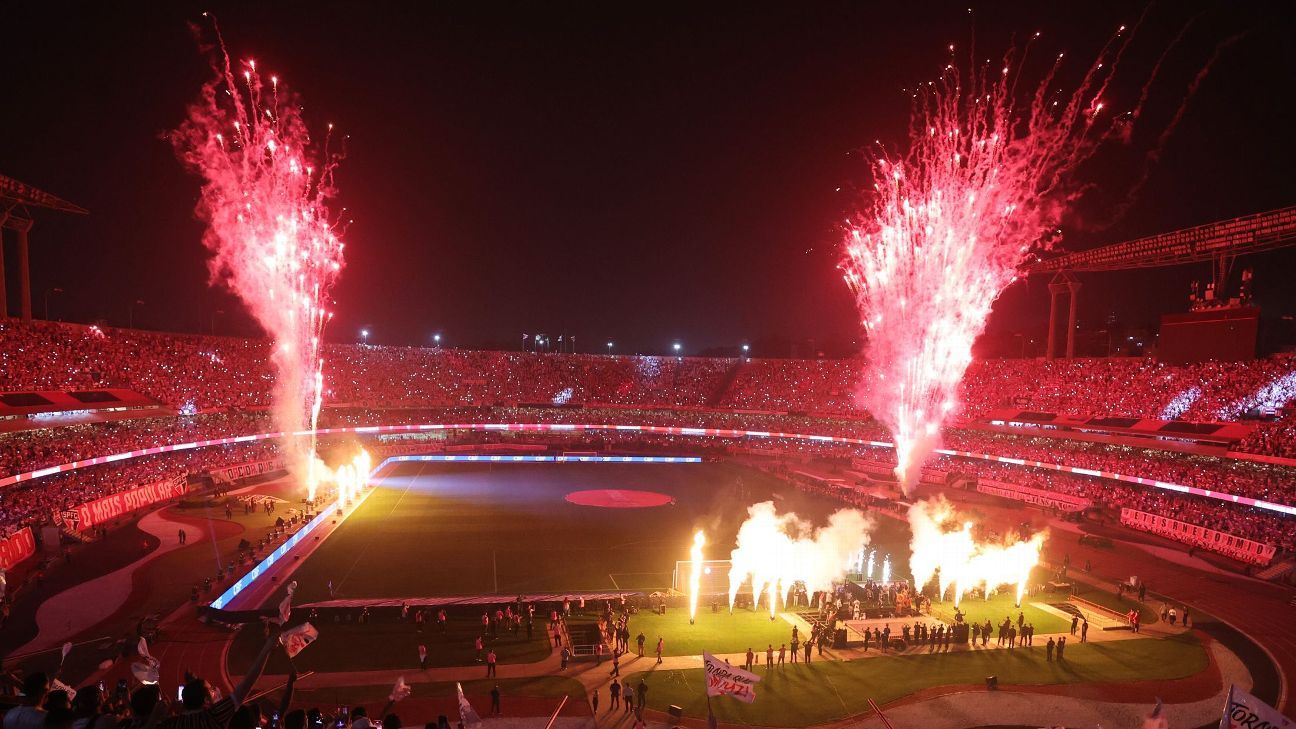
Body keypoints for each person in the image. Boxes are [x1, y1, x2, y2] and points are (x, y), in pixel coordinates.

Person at [159, 631, 279, 729]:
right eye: (211, 689)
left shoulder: (173, 723)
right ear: (206, 700)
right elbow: (246, 685)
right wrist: (267, 648)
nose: (215, 689)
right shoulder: (213, 716)